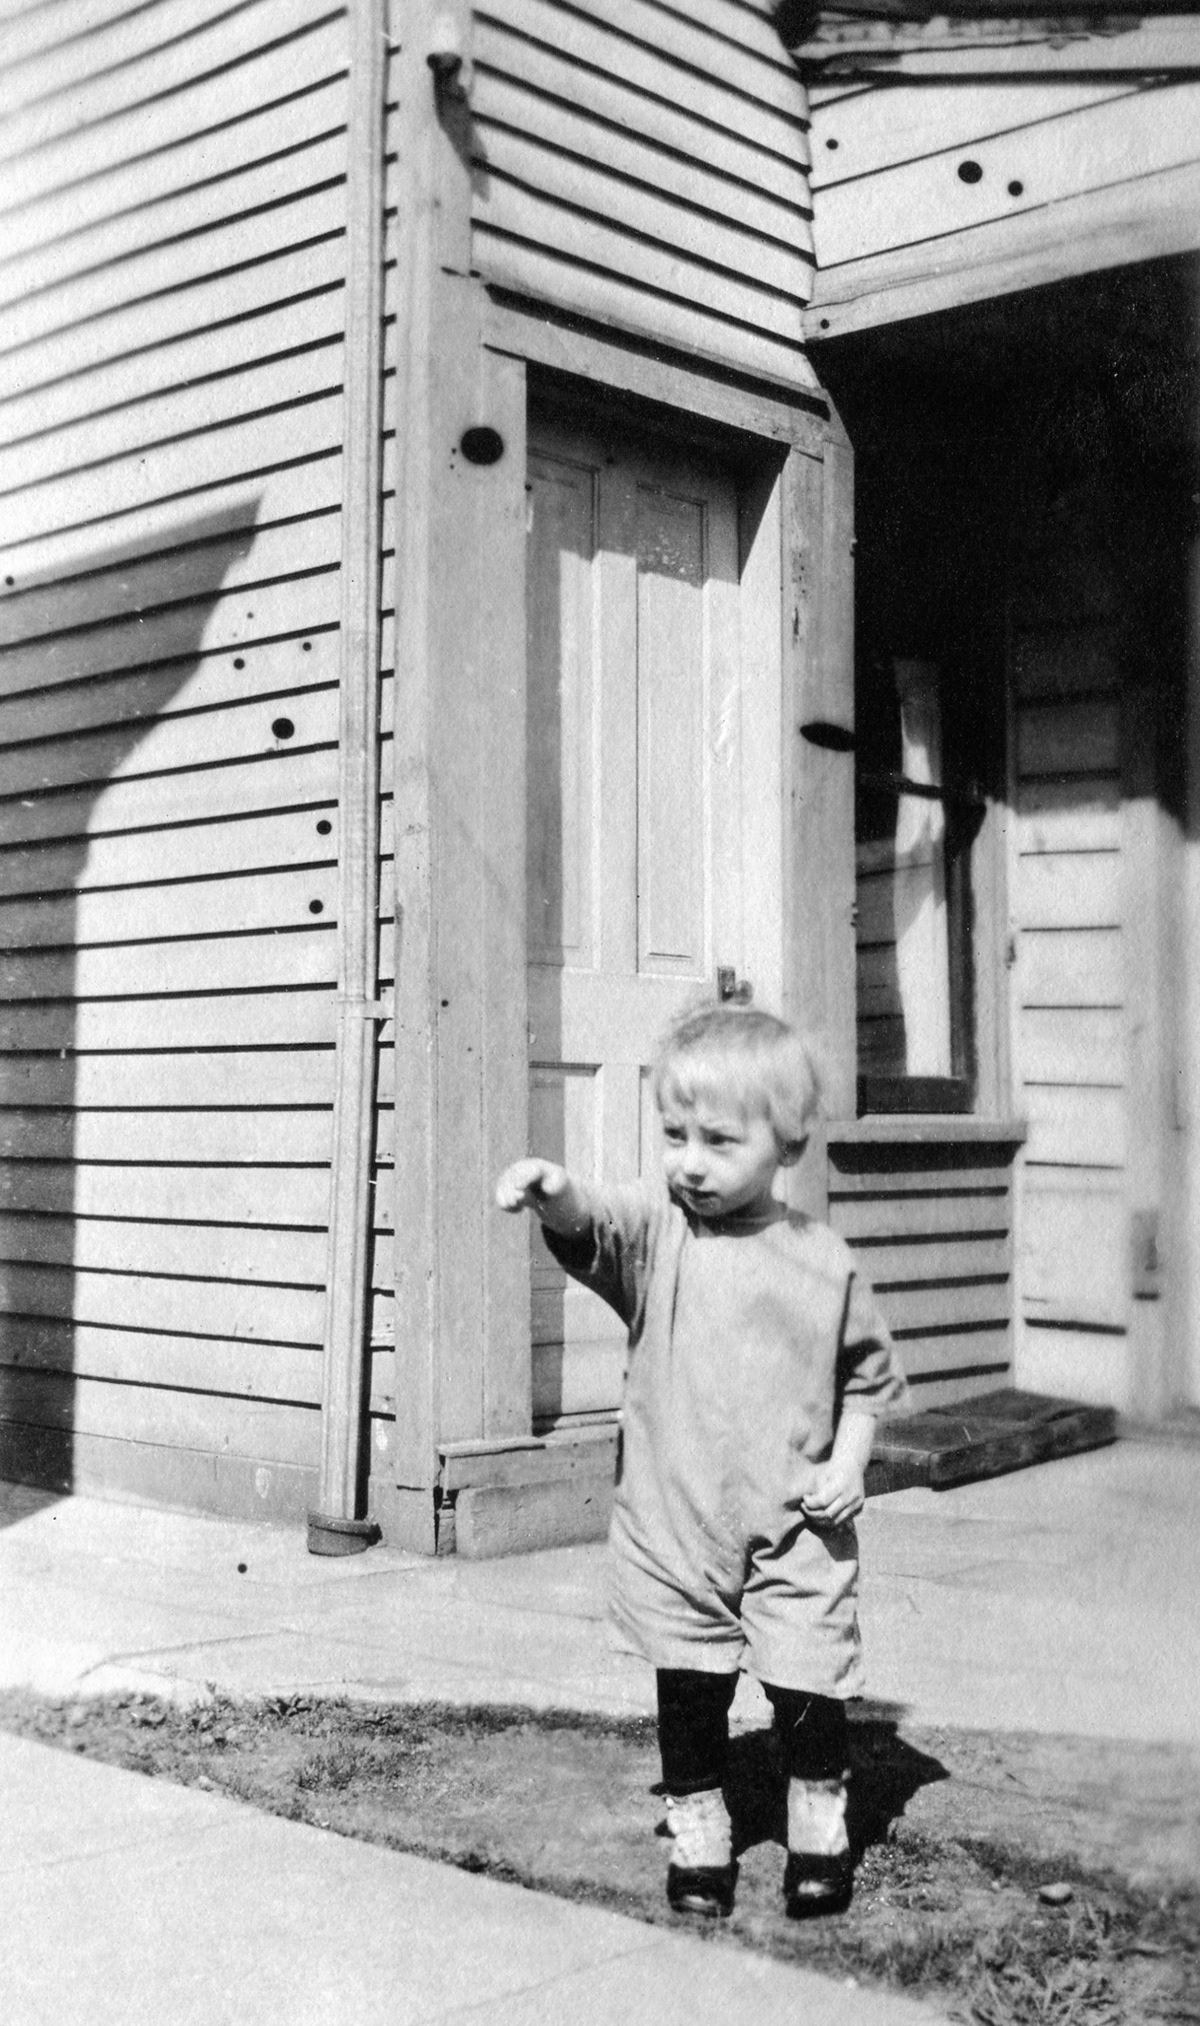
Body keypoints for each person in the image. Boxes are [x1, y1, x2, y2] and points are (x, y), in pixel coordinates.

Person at [495, 1002, 908, 1921]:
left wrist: (850, 1463)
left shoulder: (822, 1260)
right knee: (689, 1687)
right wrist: (554, 1190)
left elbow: (868, 1378)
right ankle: (700, 1832)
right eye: (676, 1135)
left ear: (787, 1142)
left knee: (807, 1683)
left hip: (797, 1523)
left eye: (719, 1141)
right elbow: (594, 1222)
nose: (690, 1161)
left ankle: (818, 1829)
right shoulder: (660, 1234)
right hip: (676, 1519)